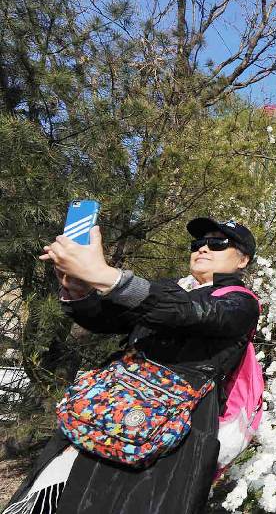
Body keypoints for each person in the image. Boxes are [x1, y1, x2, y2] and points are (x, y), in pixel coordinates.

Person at [4, 218, 260, 514]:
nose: (202, 248)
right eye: (197, 243)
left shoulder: (241, 303)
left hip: (164, 441)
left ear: (243, 259)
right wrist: (79, 291)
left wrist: (106, 275)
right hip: (106, 415)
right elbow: (107, 319)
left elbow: (187, 313)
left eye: (217, 243)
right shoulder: (172, 288)